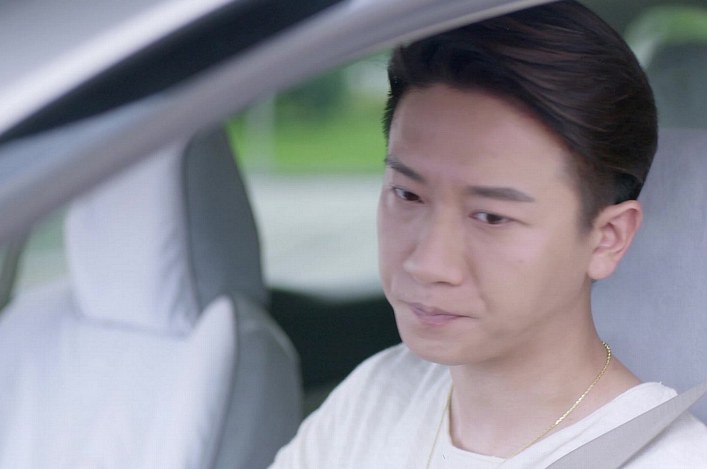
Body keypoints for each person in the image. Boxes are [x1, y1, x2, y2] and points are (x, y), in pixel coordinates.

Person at [269, 1, 707, 467]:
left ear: (607, 239)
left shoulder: (668, 459)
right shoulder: (375, 396)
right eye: (408, 194)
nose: (427, 264)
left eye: (492, 217)